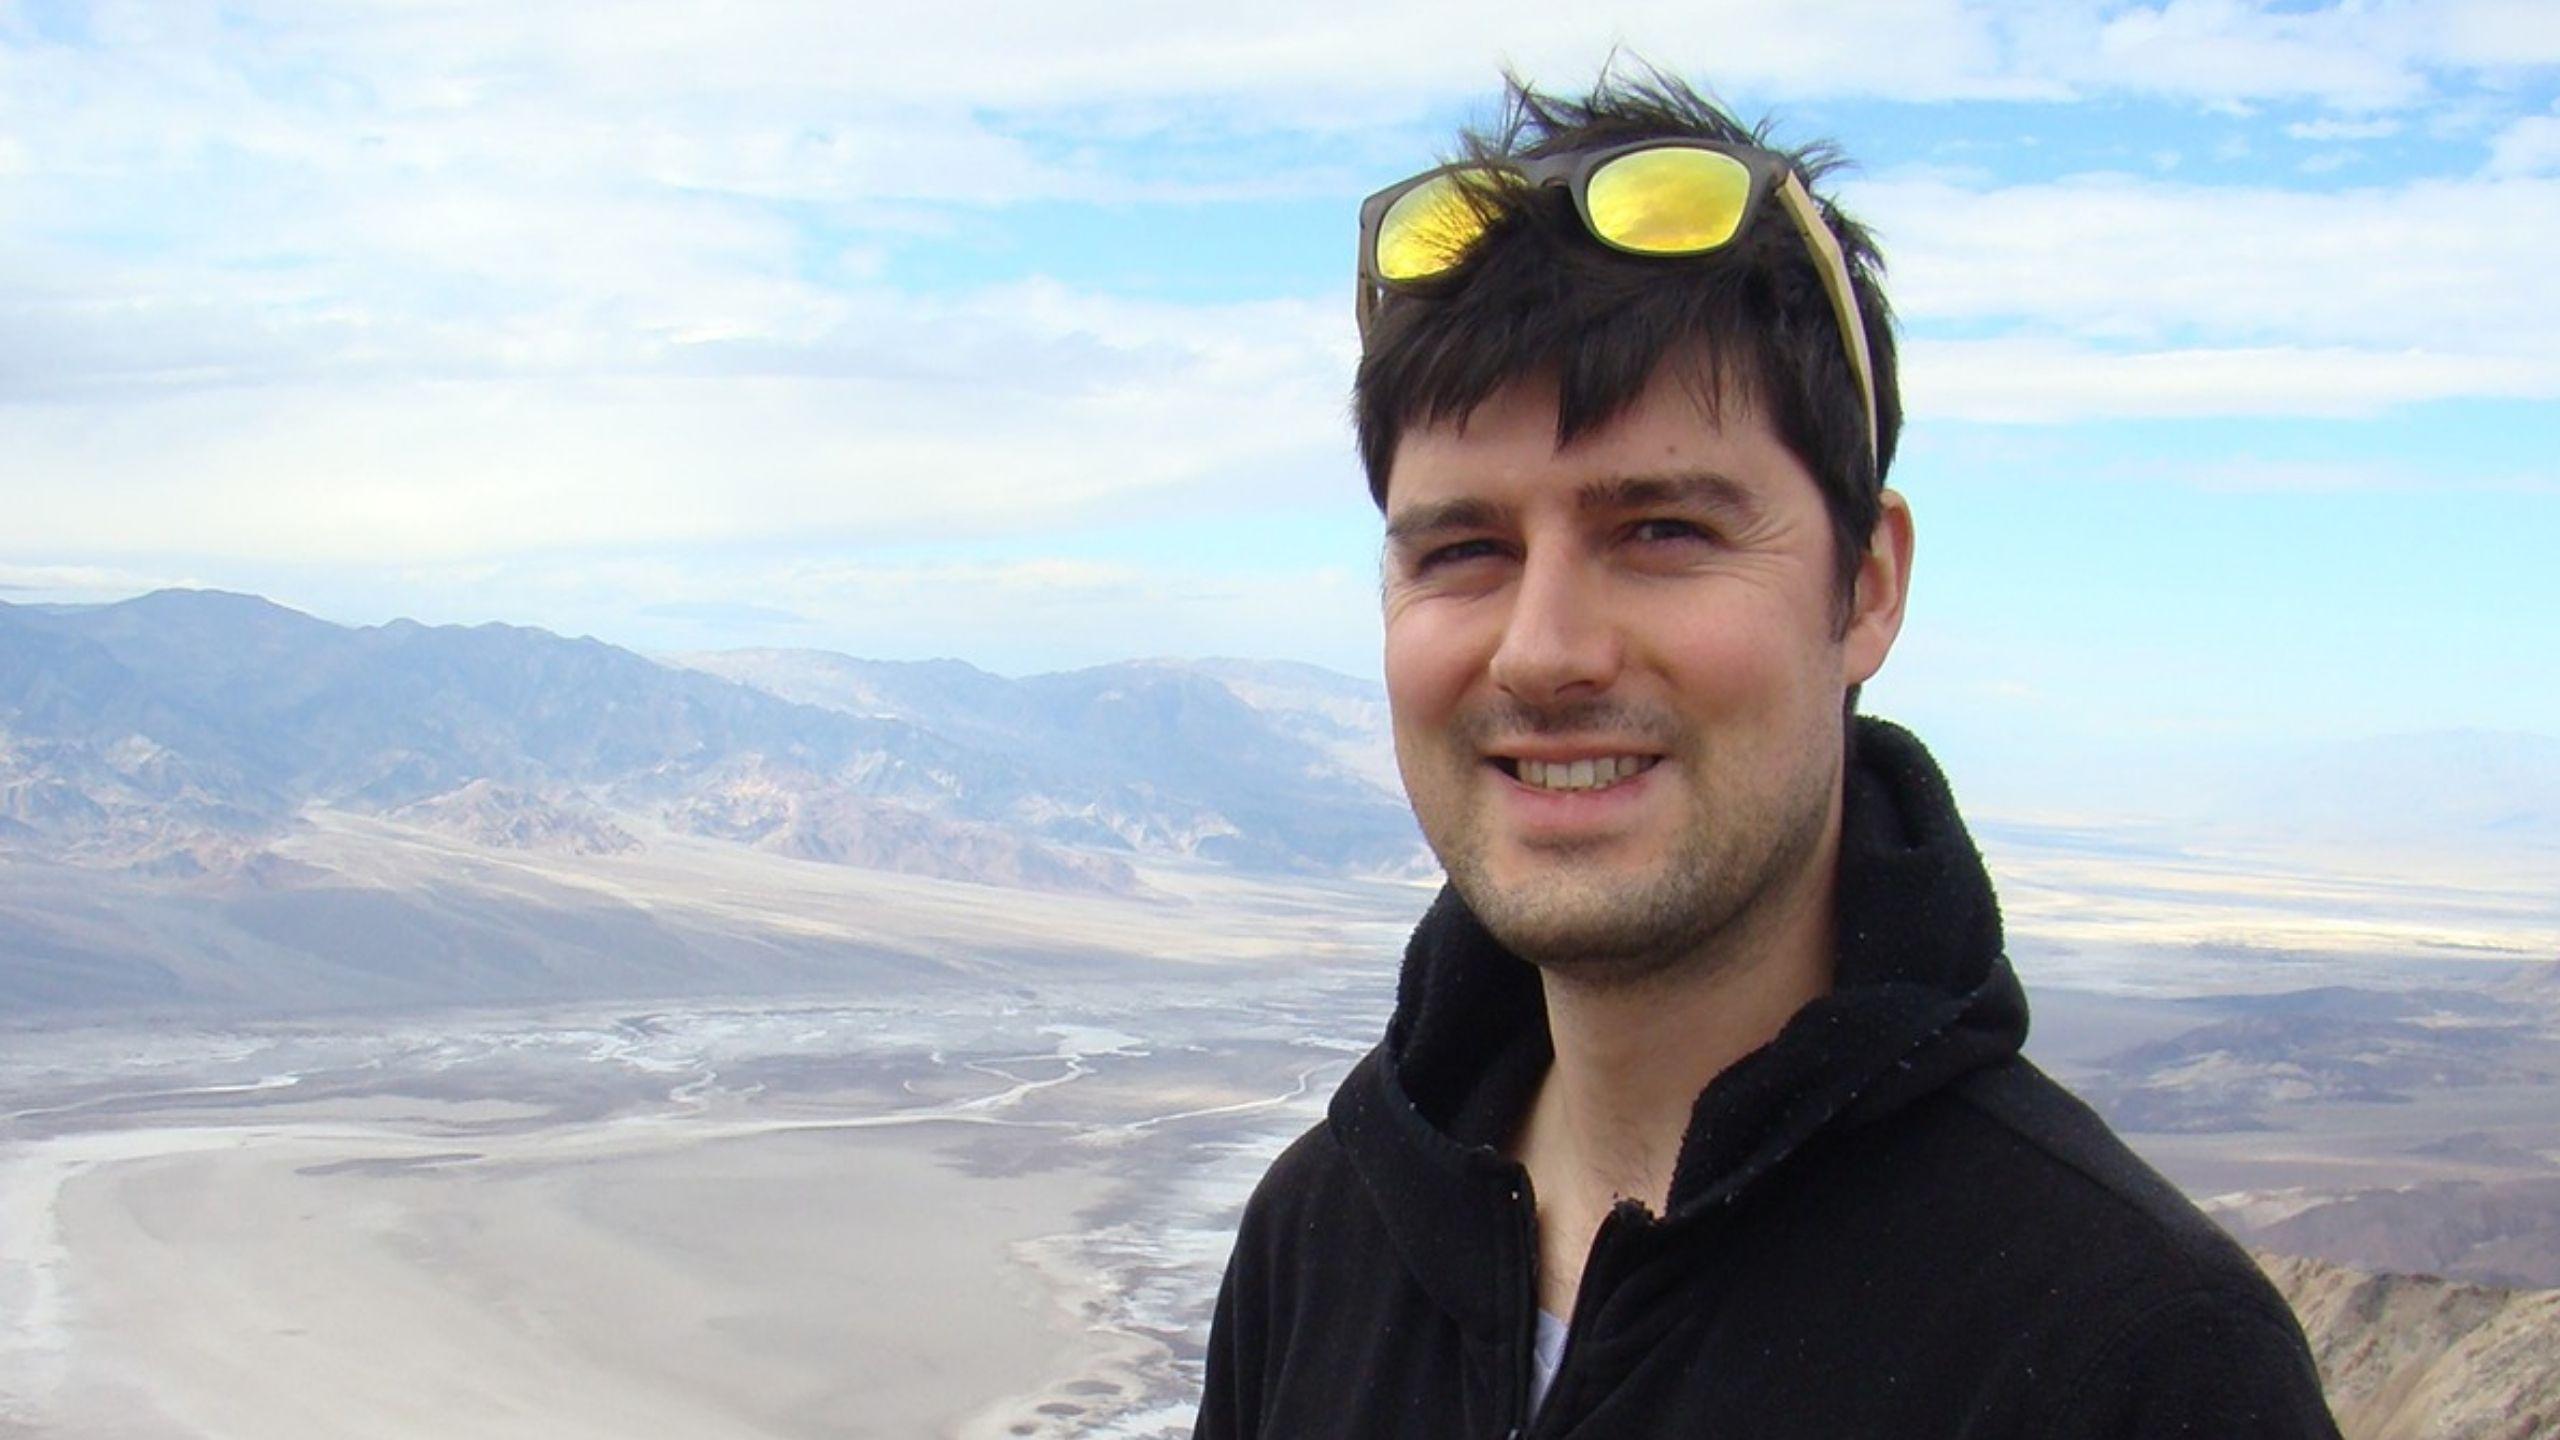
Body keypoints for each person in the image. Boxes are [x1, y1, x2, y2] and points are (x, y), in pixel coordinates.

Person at [1192, 70, 2341, 1439]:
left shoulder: (2131, 1358)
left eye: (1662, 531)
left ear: (1863, 588)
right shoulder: (1324, 1244)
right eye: (1464, 550)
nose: (1543, 650)